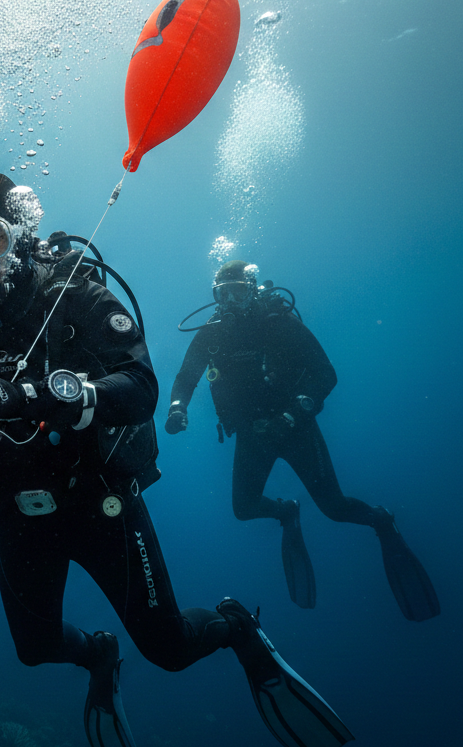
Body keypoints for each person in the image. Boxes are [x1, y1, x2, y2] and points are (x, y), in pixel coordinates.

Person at [0, 174, 353, 747]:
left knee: (169, 651)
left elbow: (140, 389)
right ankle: (100, 654)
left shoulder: (73, 294)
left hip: (101, 501)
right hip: (16, 513)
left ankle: (236, 626)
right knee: (35, 649)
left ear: (20, 239)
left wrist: (26, 394)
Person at [164, 259, 440, 621]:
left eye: (238, 292)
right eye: (223, 294)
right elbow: (186, 377)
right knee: (243, 508)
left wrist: (292, 415)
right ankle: (286, 512)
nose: (230, 301)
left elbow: (326, 374)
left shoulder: (280, 325)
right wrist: (177, 408)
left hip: (295, 430)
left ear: (251, 292)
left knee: (335, 508)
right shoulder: (210, 336)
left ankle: (381, 521)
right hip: (252, 435)